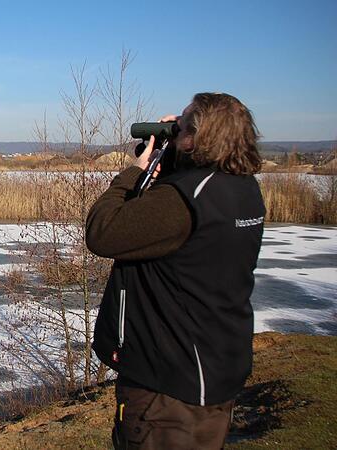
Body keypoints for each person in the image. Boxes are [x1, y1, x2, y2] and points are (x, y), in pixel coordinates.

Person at [86, 92, 265, 449]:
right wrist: (175, 154)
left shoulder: (180, 201)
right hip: (212, 372)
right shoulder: (242, 190)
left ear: (196, 138)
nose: (174, 128)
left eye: (181, 125)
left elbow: (103, 232)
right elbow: (180, 213)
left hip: (166, 388)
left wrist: (136, 171)